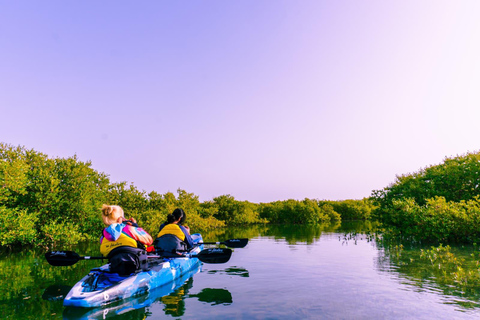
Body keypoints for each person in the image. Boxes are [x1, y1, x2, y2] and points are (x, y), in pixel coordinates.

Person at [100, 204, 153, 275]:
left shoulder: (104, 235)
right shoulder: (130, 228)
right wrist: (136, 226)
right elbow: (149, 240)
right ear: (120, 219)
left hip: (116, 265)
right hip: (136, 265)